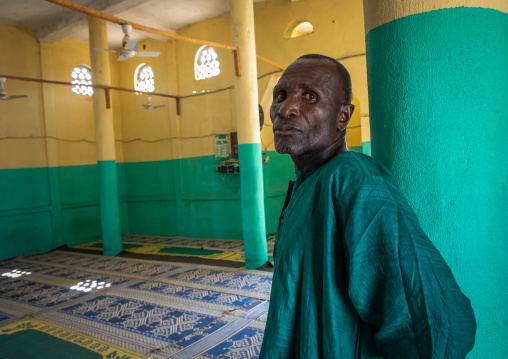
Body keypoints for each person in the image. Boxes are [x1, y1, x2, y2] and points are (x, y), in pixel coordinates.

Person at [259, 54, 476, 358]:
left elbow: (436, 322)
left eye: (309, 96)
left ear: (342, 117)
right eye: (280, 95)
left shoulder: (353, 180)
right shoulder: (312, 181)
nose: (285, 108)